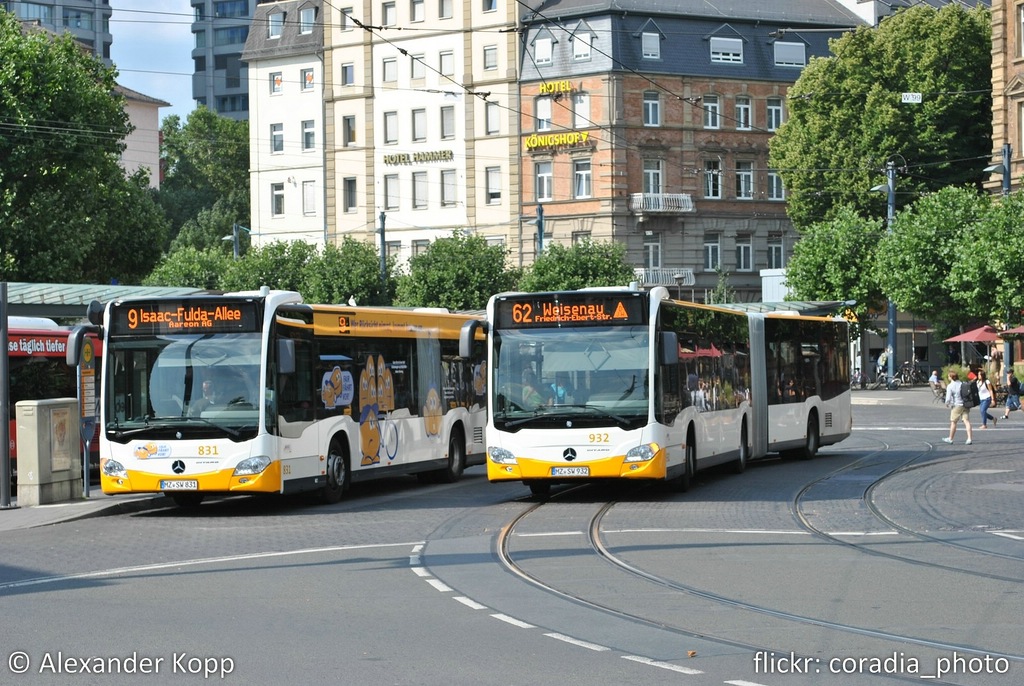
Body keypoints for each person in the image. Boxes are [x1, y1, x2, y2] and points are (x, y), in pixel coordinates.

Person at [943, 371, 973, 445]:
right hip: (965, 404)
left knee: (953, 422)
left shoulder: (950, 386)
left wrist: (947, 403)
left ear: (951, 377)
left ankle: (950, 438)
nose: (948, 378)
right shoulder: (962, 383)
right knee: (966, 421)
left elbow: (948, 398)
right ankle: (969, 439)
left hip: (957, 405)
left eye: (948, 376)